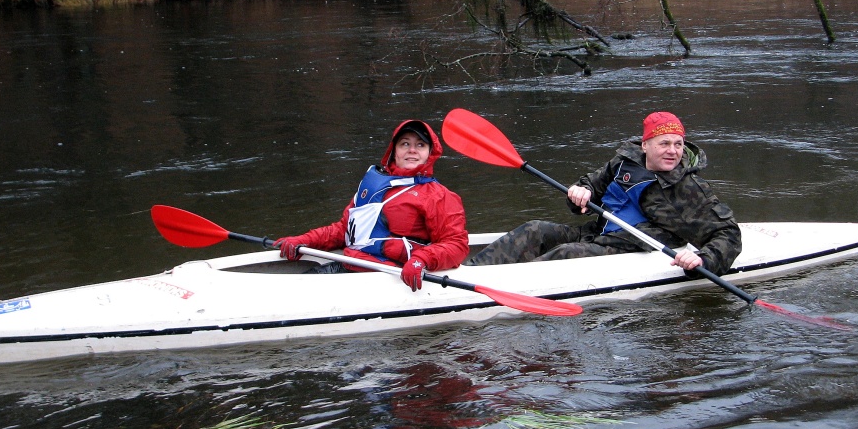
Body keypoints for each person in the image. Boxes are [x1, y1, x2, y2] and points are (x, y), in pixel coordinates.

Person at [465, 112, 741, 277]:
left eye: (678, 144)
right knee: (534, 230)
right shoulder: (624, 162)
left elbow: (728, 233)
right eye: (664, 143)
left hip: (631, 247)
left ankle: (502, 286)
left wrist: (703, 260)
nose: (673, 151)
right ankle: (470, 272)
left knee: (565, 253)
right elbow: (590, 185)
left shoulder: (687, 188)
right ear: (645, 145)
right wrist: (580, 192)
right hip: (596, 232)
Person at [274, 120, 469, 291]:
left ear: (429, 153)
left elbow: (457, 245)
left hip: (392, 277)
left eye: (420, 145)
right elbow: (345, 230)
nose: (412, 150)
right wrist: (304, 240)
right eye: (405, 144)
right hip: (350, 265)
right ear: (394, 151)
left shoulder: (439, 196)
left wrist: (422, 259)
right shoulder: (374, 185)